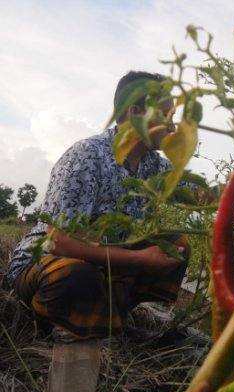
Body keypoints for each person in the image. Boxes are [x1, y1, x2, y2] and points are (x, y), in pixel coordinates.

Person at [4, 70, 196, 340]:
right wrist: (139, 259)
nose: (173, 127)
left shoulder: (155, 166)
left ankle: (111, 318)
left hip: (103, 266)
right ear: (135, 113)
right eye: (167, 117)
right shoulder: (87, 155)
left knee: (176, 246)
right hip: (44, 266)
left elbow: (199, 196)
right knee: (75, 274)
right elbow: (59, 241)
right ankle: (55, 325)